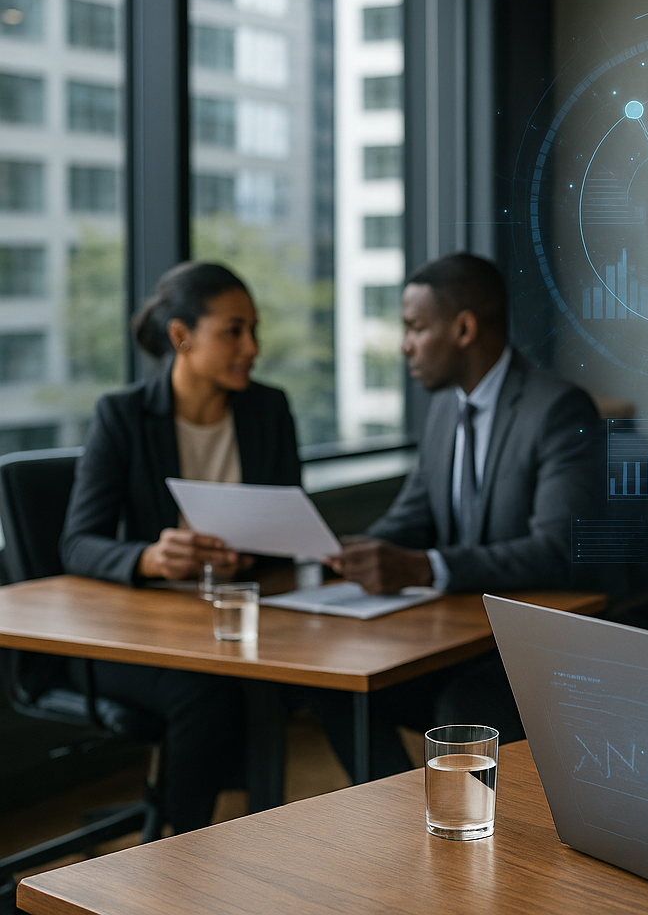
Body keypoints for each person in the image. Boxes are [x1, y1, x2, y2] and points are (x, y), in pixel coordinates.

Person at [320, 253, 605, 779]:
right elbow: (411, 515)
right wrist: (331, 556)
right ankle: (402, 825)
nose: (404, 344)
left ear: (465, 328)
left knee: (465, 708)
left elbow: (556, 550)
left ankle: (466, 838)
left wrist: (426, 568)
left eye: (416, 327)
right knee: (336, 686)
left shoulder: (559, 410)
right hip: (452, 636)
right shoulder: (446, 410)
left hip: (527, 650)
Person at [59, 261, 302, 833]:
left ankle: (263, 839)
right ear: (181, 336)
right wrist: (148, 558)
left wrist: (252, 551)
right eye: (234, 331)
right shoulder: (122, 416)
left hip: (235, 621)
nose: (252, 346)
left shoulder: (268, 410)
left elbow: (287, 529)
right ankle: (179, 850)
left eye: (255, 330)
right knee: (207, 691)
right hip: (139, 636)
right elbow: (77, 542)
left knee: (288, 685)